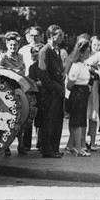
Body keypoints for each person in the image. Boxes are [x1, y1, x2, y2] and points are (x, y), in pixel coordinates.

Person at [0, 32, 26, 155]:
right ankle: (6, 145)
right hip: (6, 88)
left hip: (18, 86)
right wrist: (12, 71)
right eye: (11, 45)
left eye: (15, 45)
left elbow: (23, 69)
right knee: (7, 117)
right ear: (7, 45)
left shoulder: (20, 56)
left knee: (21, 115)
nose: (13, 47)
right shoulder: (3, 56)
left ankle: (21, 144)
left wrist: (20, 71)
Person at [37, 25, 66, 158]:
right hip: (51, 93)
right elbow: (43, 75)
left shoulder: (57, 51)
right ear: (52, 36)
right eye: (59, 35)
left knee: (56, 121)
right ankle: (47, 149)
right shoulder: (45, 51)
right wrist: (55, 88)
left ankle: (54, 148)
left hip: (58, 91)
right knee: (49, 120)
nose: (62, 37)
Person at [65, 38, 92, 157]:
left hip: (83, 93)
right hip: (77, 94)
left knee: (80, 120)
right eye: (87, 51)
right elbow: (70, 84)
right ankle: (78, 148)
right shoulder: (76, 66)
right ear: (81, 52)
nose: (89, 53)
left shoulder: (84, 64)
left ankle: (70, 146)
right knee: (77, 121)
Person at [86, 36, 100, 151]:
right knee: (84, 113)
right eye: (94, 44)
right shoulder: (86, 56)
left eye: (98, 45)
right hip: (86, 86)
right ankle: (82, 142)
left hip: (97, 87)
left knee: (94, 113)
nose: (96, 47)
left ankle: (93, 142)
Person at [27, 43, 45, 151]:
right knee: (30, 120)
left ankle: (40, 143)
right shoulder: (32, 67)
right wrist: (43, 82)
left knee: (41, 121)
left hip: (44, 96)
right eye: (33, 52)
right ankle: (26, 145)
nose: (35, 54)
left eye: (37, 52)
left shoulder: (45, 66)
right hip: (35, 95)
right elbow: (33, 83)